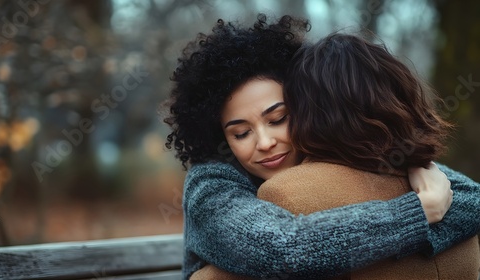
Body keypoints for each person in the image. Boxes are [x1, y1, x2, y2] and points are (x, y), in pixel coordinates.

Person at [162, 14, 480, 279]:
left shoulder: (326, 161)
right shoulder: (211, 186)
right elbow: (282, 248)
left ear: (307, 110)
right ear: (221, 139)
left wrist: (420, 166)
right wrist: (419, 213)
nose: (265, 142)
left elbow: (471, 198)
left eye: (278, 118)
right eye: (241, 133)